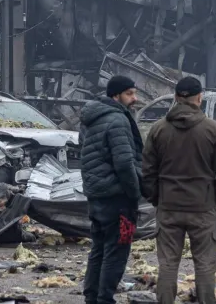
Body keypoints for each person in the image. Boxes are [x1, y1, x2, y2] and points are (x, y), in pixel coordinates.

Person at [142, 77, 216, 304]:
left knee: (168, 264)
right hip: (203, 206)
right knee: (204, 264)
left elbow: (148, 171)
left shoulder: (158, 129)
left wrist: (156, 200)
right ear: (200, 98)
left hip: (169, 205)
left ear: (175, 97)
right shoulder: (213, 129)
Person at [79, 75, 145, 304]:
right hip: (117, 198)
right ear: (115, 95)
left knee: (98, 250)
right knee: (116, 252)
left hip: (96, 195)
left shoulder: (91, 118)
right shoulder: (117, 120)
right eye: (129, 94)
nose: (134, 99)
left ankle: (91, 297)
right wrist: (135, 193)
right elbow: (125, 163)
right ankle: (105, 299)